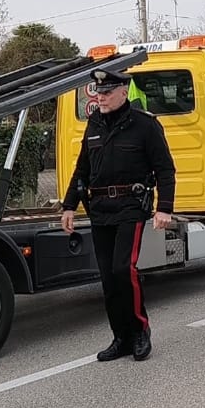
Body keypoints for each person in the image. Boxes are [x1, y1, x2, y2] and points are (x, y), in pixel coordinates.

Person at [61, 68, 175, 362]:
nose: (101, 97)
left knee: (124, 270)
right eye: (98, 92)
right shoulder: (94, 123)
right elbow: (82, 168)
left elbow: (165, 169)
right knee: (108, 278)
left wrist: (165, 208)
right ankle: (121, 338)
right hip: (99, 210)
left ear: (124, 92)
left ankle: (140, 331)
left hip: (130, 207)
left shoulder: (144, 126)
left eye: (107, 92)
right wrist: (69, 205)